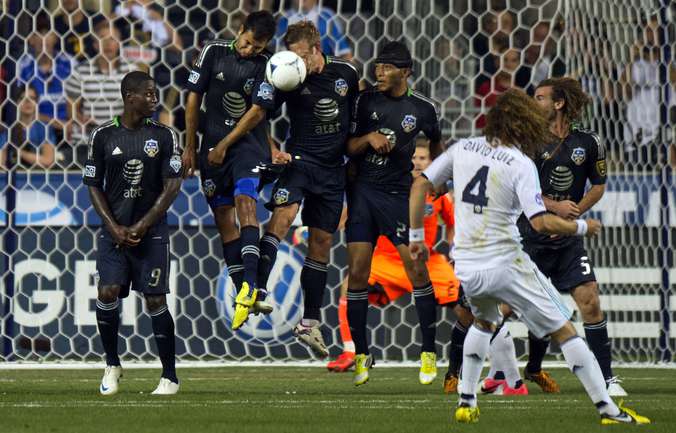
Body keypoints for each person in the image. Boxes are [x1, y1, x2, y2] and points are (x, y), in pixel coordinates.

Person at [409, 88, 649, 425]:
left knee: (484, 321)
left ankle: (467, 401)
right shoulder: (519, 163)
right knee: (566, 330)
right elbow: (539, 222)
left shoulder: (462, 148)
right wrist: (581, 227)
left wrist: (416, 238)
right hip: (506, 263)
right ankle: (609, 410)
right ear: (521, 122)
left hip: (468, 265)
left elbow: (420, 185)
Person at [210, 21, 360, 356]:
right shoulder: (286, 75)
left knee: (321, 243)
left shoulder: (347, 73)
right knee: (281, 219)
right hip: (299, 162)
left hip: (332, 172)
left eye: (302, 56)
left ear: (316, 49)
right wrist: (272, 149)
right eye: (292, 56)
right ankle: (255, 290)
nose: (297, 64)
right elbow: (258, 114)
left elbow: (355, 119)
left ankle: (309, 324)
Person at [486, 77, 626, 396]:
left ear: (559, 103)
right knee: (512, 308)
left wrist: (572, 213)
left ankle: (607, 379)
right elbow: (517, 189)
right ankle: (497, 371)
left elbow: (598, 186)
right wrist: (553, 207)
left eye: (540, 98)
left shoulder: (589, 142)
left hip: (566, 240)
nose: (534, 103)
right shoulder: (527, 142)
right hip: (531, 236)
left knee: (589, 299)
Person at [342, 40, 449, 386]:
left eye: (386, 69)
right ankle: (362, 354)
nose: (379, 74)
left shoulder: (423, 108)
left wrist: (438, 177)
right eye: (377, 68)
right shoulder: (363, 101)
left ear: (405, 72)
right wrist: (368, 138)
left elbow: (437, 143)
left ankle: (428, 352)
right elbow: (348, 146)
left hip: (398, 195)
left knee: (416, 268)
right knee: (358, 273)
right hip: (362, 194)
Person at [328, 139, 473, 386]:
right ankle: (351, 351)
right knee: (349, 285)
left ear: (432, 162)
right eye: (413, 158)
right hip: (386, 260)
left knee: (465, 308)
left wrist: (453, 250)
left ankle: (466, 362)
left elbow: (453, 224)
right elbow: (348, 215)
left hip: (425, 261)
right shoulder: (389, 185)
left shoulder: (437, 192)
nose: (417, 162)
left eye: (423, 158)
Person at [83, 71, 182, 396]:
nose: (155, 99)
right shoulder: (102, 136)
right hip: (114, 231)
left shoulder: (165, 135)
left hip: (150, 233)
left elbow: (173, 185)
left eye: (155, 93)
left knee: (155, 299)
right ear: (130, 97)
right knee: (107, 292)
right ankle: (112, 364)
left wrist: (143, 224)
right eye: (149, 94)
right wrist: (114, 227)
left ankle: (169, 376)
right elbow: (93, 185)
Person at [182, 11, 277, 330]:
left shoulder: (268, 63)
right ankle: (243, 293)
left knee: (245, 202)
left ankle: (250, 284)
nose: (250, 50)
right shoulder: (213, 51)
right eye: (248, 43)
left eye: (257, 47)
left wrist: (225, 145)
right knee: (224, 219)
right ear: (240, 30)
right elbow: (193, 99)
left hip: (247, 146)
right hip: (211, 147)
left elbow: (258, 111)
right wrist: (190, 145)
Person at [65, 23, 138, 146]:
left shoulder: (131, 71)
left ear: (119, 44)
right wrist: (81, 119)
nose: (107, 44)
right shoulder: (80, 71)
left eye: (112, 39)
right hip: (87, 138)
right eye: (102, 39)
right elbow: (70, 107)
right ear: (95, 44)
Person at [274, 0, 353, 60]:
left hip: (322, 69)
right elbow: (275, 49)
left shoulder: (327, 16)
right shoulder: (283, 18)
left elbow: (345, 52)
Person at [0, 85, 56, 169]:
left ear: (37, 102)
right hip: (15, 174)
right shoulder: (9, 128)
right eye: (22, 98)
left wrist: (19, 152)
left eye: (32, 98)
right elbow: (1, 162)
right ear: (16, 102)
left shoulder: (44, 128)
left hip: (39, 175)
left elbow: (48, 161)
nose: (28, 102)